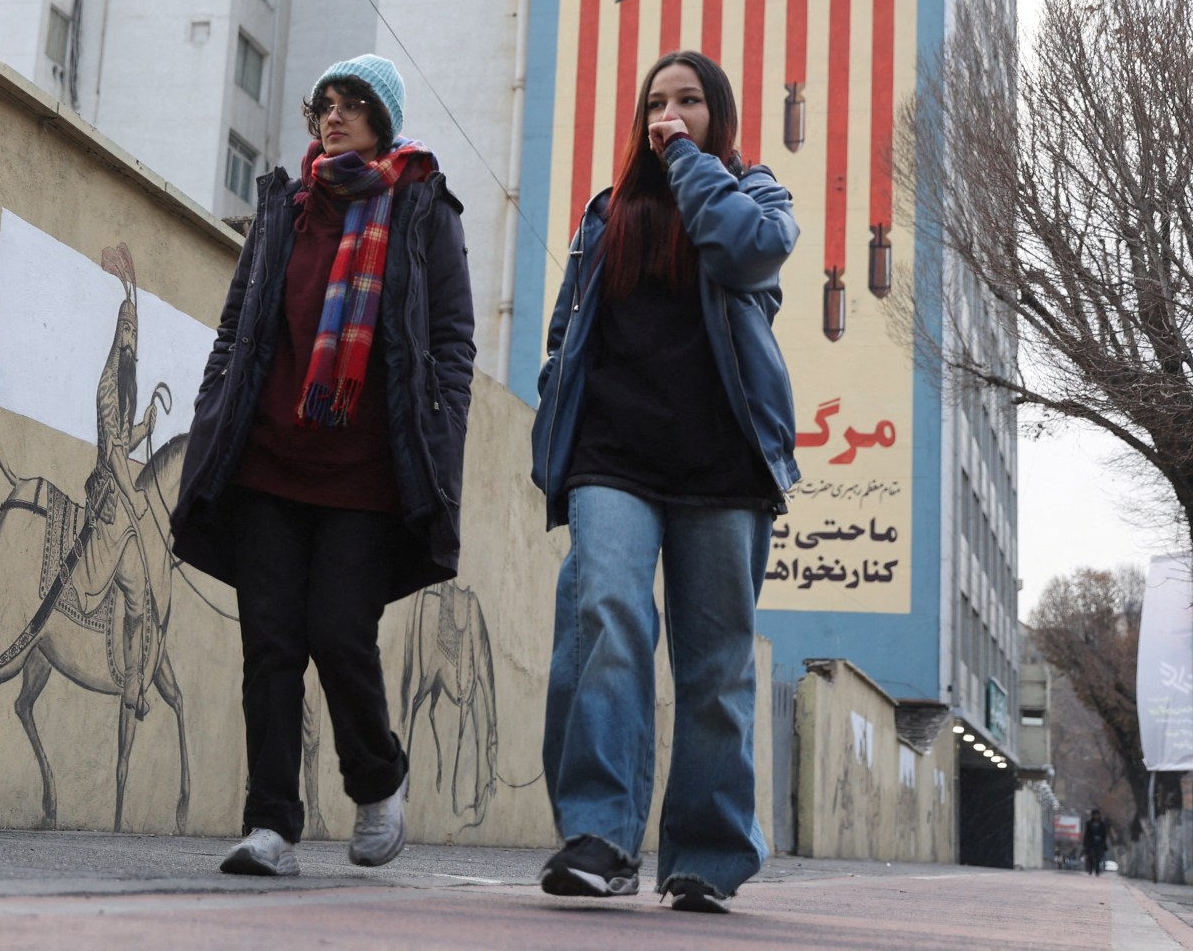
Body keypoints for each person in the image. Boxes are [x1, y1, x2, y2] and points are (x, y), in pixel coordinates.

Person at [171, 54, 475, 877]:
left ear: (384, 118)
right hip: (268, 459)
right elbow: (237, 327)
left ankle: (377, 779)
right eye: (325, 104)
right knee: (271, 643)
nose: (334, 115)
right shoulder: (287, 207)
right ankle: (270, 824)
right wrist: (213, 408)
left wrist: (441, 437)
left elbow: (451, 343)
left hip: (367, 470)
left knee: (339, 632)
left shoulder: (421, 208)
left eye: (353, 103)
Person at [530, 49, 799, 914]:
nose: (668, 114)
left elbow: (747, 254)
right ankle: (600, 836)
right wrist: (557, 407)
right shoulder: (606, 214)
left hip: (722, 463)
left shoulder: (757, 197)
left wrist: (687, 159)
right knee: (604, 620)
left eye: (688, 102)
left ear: (718, 114)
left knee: (716, 667)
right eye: (656, 104)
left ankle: (708, 855)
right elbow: (567, 331)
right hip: (613, 456)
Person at [1084, 809, 1110, 875]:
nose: (1096, 816)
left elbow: (1104, 834)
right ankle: (1090, 869)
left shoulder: (1102, 824)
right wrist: (1085, 842)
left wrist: (1103, 842)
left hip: (1099, 843)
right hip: (1091, 842)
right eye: (1095, 815)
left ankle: (1097, 870)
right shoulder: (1089, 823)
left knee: (1098, 857)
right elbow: (1087, 833)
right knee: (1090, 856)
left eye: (1097, 815)